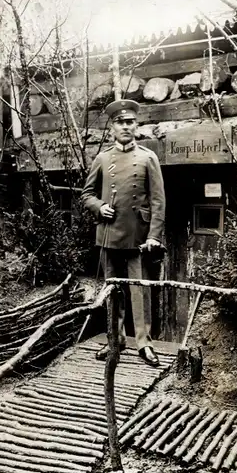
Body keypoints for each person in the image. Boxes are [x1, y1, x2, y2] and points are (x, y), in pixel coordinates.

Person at [81, 99, 165, 367]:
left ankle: (144, 343)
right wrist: (100, 206)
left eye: (130, 122)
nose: (126, 127)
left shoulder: (148, 157)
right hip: (109, 235)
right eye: (120, 122)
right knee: (113, 290)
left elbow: (158, 201)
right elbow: (87, 195)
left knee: (140, 292)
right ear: (113, 128)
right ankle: (115, 341)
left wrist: (154, 235)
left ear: (136, 125)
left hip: (138, 237)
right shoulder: (103, 158)